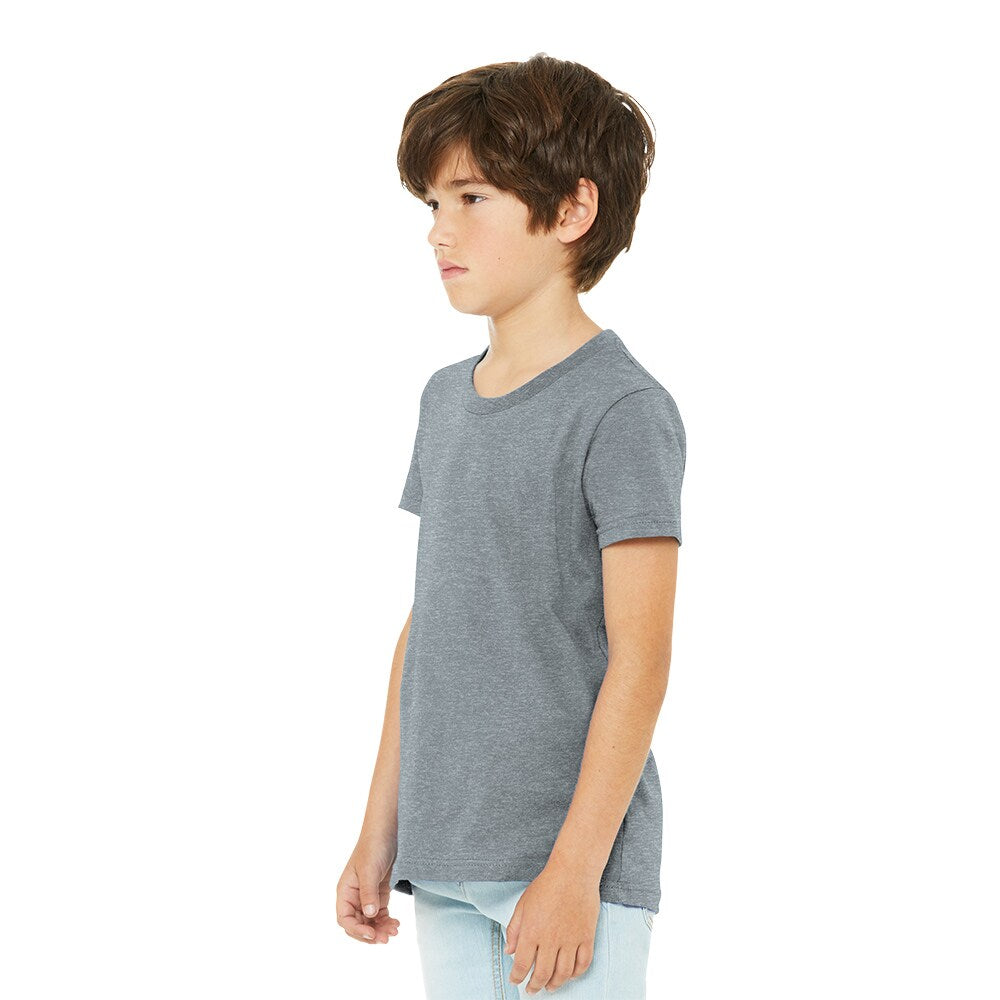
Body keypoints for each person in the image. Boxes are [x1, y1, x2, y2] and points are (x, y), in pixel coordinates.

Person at [336, 52, 687, 999]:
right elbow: (432, 622)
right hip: (446, 851)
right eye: (432, 204)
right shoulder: (445, 401)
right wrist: (380, 831)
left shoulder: (621, 409)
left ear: (571, 210)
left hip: (567, 867)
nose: (438, 230)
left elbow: (642, 656)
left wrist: (575, 872)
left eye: (471, 198)